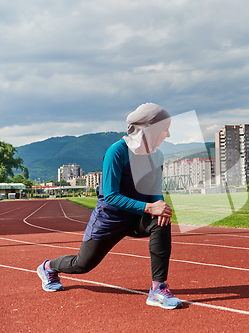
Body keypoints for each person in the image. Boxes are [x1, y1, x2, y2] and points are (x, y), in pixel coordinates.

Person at [37, 103, 182, 310]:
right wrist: (150, 207)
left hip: (136, 217)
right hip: (110, 219)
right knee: (82, 264)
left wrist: (159, 203)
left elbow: (155, 190)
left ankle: (158, 289)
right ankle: (48, 267)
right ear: (149, 128)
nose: (167, 135)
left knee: (162, 221)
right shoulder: (117, 152)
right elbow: (111, 196)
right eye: (165, 129)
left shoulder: (157, 156)